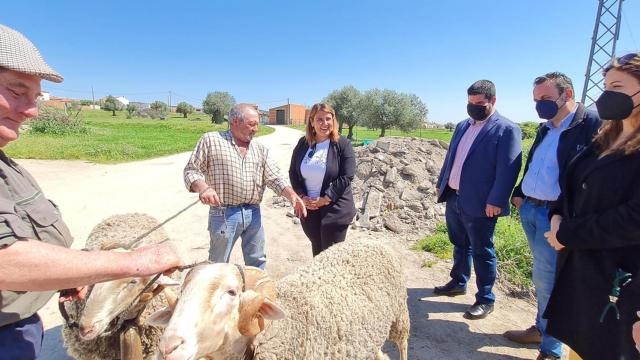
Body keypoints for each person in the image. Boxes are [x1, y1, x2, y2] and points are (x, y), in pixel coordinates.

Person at [0, 24, 183, 359]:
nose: (31, 110)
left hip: (19, 327)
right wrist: (135, 262)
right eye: (16, 91)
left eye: (35, 97)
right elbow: (4, 258)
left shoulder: (7, 166)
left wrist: (70, 273)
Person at [544, 52, 640, 359]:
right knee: (580, 347)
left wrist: (567, 233)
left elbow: (633, 218)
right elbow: (573, 183)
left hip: (620, 285)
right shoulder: (605, 136)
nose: (606, 95)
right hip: (584, 275)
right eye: (605, 85)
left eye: (617, 86)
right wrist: (557, 215)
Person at [504, 73, 601, 360]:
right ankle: (541, 329)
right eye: (536, 100)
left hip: (556, 217)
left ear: (567, 94)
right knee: (542, 276)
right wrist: (520, 192)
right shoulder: (546, 128)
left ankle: (552, 350)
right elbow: (535, 162)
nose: (539, 105)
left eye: (545, 99)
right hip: (532, 210)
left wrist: (567, 217)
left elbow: (593, 176)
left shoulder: (591, 125)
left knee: (549, 280)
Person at [434, 80, 522, 320]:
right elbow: (451, 158)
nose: (473, 107)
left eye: (479, 103)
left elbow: (509, 170)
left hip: (483, 203)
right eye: (470, 103)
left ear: (492, 101)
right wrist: (441, 184)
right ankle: (458, 281)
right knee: (459, 242)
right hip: (455, 196)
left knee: (482, 249)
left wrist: (497, 200)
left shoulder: (506, 129)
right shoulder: (462, 126)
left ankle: (485, 298)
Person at [183, 103, 306, 269]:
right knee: (217, 264)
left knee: (257, 260)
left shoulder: (259, 149)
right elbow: (191, 170)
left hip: (253, 212)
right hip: (223, 214)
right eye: (252, 124)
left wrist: (292, 195)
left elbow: (274, 177)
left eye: (257, 123)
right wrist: (203, 188)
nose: (256, 129)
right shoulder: (211, 140)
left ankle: (255, 293)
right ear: (234, 121)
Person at [288, 103, 357, 256]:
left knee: (331, 256)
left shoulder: (342, 144)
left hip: (334, 210)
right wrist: (301, 196)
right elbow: (293, 172)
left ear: (334, 120)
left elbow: (347, 176)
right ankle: (318, 280)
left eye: (328, 119)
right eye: (319, 119)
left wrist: (325, 198)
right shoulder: (303, 143)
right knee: (317, 252)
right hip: (309, 209)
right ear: (311, 122)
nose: (324, 123)